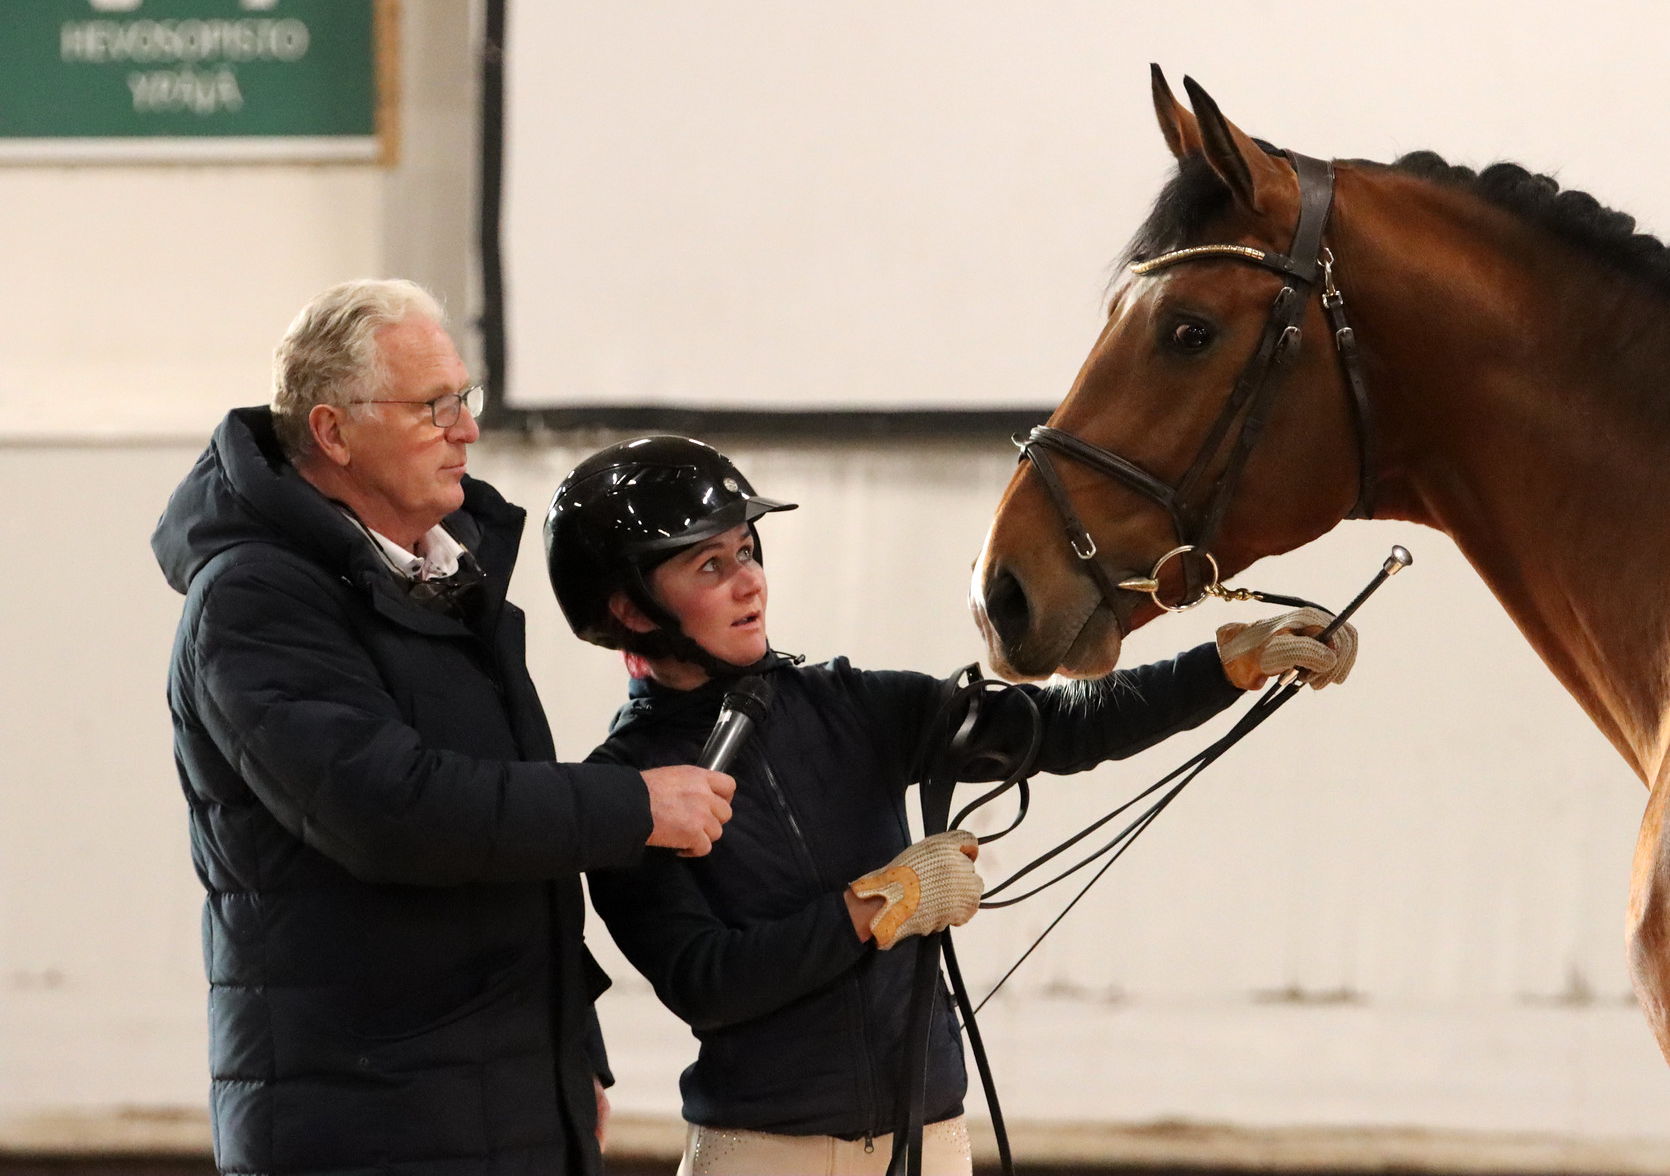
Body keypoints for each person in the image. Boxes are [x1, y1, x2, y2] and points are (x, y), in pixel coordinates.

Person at [544, 435, 1359, 1176]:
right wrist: (878, 903)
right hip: (763, 1152)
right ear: (629, 608)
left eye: (747, 551)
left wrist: (1225, 668)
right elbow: (708, 981)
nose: (751, 579)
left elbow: (1061, 728)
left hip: (928, 1139)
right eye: (709, 566)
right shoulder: (625, 793)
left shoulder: (850, 703)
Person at [152, 281, 737, 1176]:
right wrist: (631, 804)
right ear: (333, 432)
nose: (467, 429)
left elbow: (505, 861)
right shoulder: (253, 600)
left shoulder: (442, 575)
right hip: (361, 1124)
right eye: (434, 407)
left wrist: (564, 1057)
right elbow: (395, 810)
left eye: (464, 399)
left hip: (490, 1102)